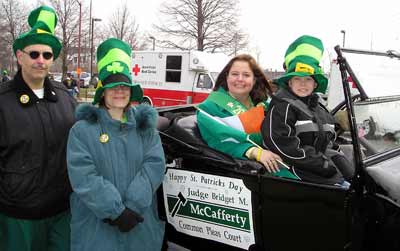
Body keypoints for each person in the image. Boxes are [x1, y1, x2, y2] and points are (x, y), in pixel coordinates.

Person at [66, 38, 165, 251]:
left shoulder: (145, 127)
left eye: (124, 86)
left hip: (140, 227)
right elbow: (84, 176)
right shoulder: (82, 131)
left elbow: (154, 166)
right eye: (113, 86)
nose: (119, 91)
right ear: (103, 91)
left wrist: (133, 206)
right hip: (96, 230)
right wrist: (116, 211)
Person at [0, 5, 76, 251]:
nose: (40, 61)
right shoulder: (2, 101)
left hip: (61, 213)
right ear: (20, 56)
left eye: (47, 55)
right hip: (18, 217)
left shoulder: (66, 98)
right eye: (34, 54)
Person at [261, 35, 354, 186]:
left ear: (315, 84)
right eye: (297, 78)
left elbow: (327, 140)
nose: (302, 84)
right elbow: (281, 143)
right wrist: (323, 164)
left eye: (308, 79)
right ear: (289, 82)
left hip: (320, 167)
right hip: (297, 174)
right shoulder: (283, 106)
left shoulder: (319, 108)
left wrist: (340, 156)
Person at [197, 54, 297, 179]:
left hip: (279, 161)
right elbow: (218, 142)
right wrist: (254, 151)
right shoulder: (209, 108)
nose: (240, 79)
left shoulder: (264, 104)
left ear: (254, 80)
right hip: (244, 172)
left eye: (246, 75)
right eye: (234, 74)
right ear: (226, 77)